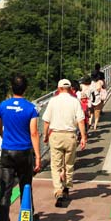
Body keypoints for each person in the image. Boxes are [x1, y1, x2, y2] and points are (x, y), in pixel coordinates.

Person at [0, 75, 42, 221]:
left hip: (7, 152)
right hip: (24, 153)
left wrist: (6, 139)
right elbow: (34, 133)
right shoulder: (30, 108)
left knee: (5, 192)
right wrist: (37, 156)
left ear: (11, 88)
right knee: (25, 188)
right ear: (25, 89)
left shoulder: (2, 106)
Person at [42, 78, 87, 207]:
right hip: (70, 136)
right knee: (69, 164)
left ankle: (58, 191)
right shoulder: (75, 101)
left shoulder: (53, 101)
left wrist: (45, 136)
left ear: (59, 88)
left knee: (56, 166)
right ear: (69, 88)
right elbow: (80, 121)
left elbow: (46, 121)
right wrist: (83, 137)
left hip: (55, 135)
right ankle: (67, 187)